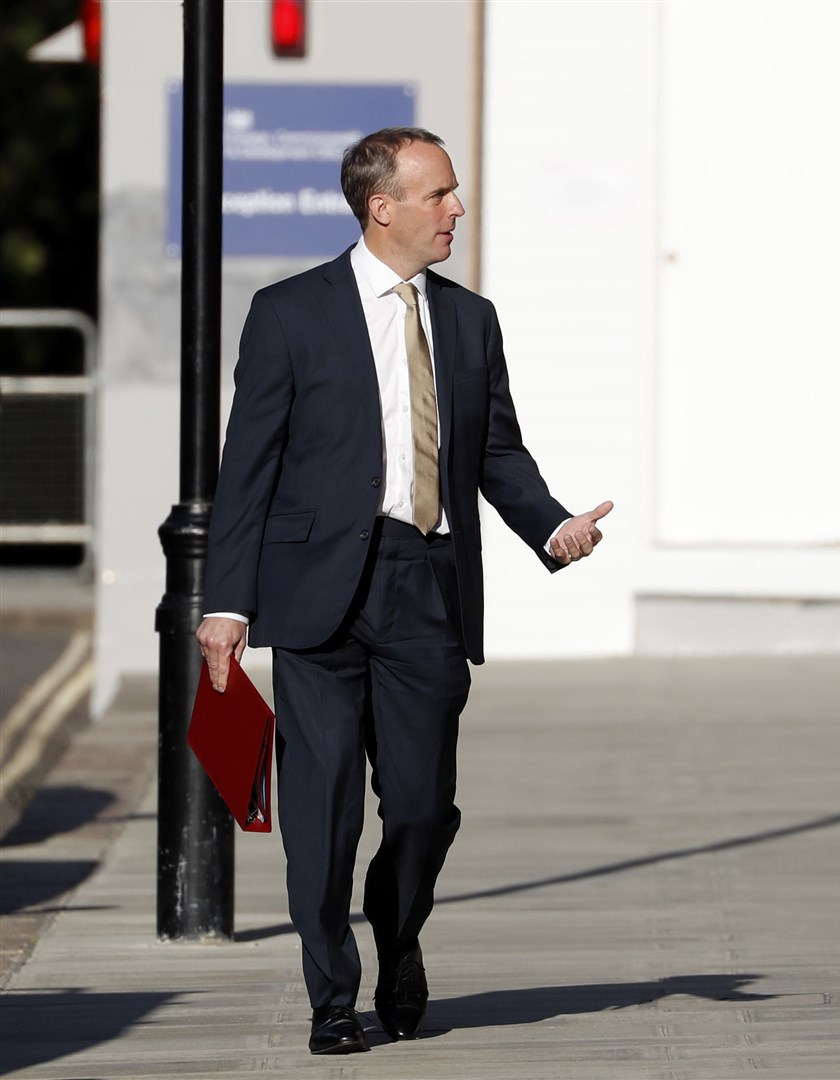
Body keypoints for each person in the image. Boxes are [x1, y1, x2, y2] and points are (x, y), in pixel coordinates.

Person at [196, 127, 613, 1055]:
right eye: (440, 195)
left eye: (454, 194)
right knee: (325, 804)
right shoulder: (289, 313)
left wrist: (551, 526)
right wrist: (225, 604)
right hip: (315, 594)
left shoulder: (470, 320)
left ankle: (400, 930)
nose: (456, 210)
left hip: (425, 581)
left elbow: (495, 450)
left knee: (423, 805)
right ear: (382, 207)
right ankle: (332, 999)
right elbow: (248, 466)